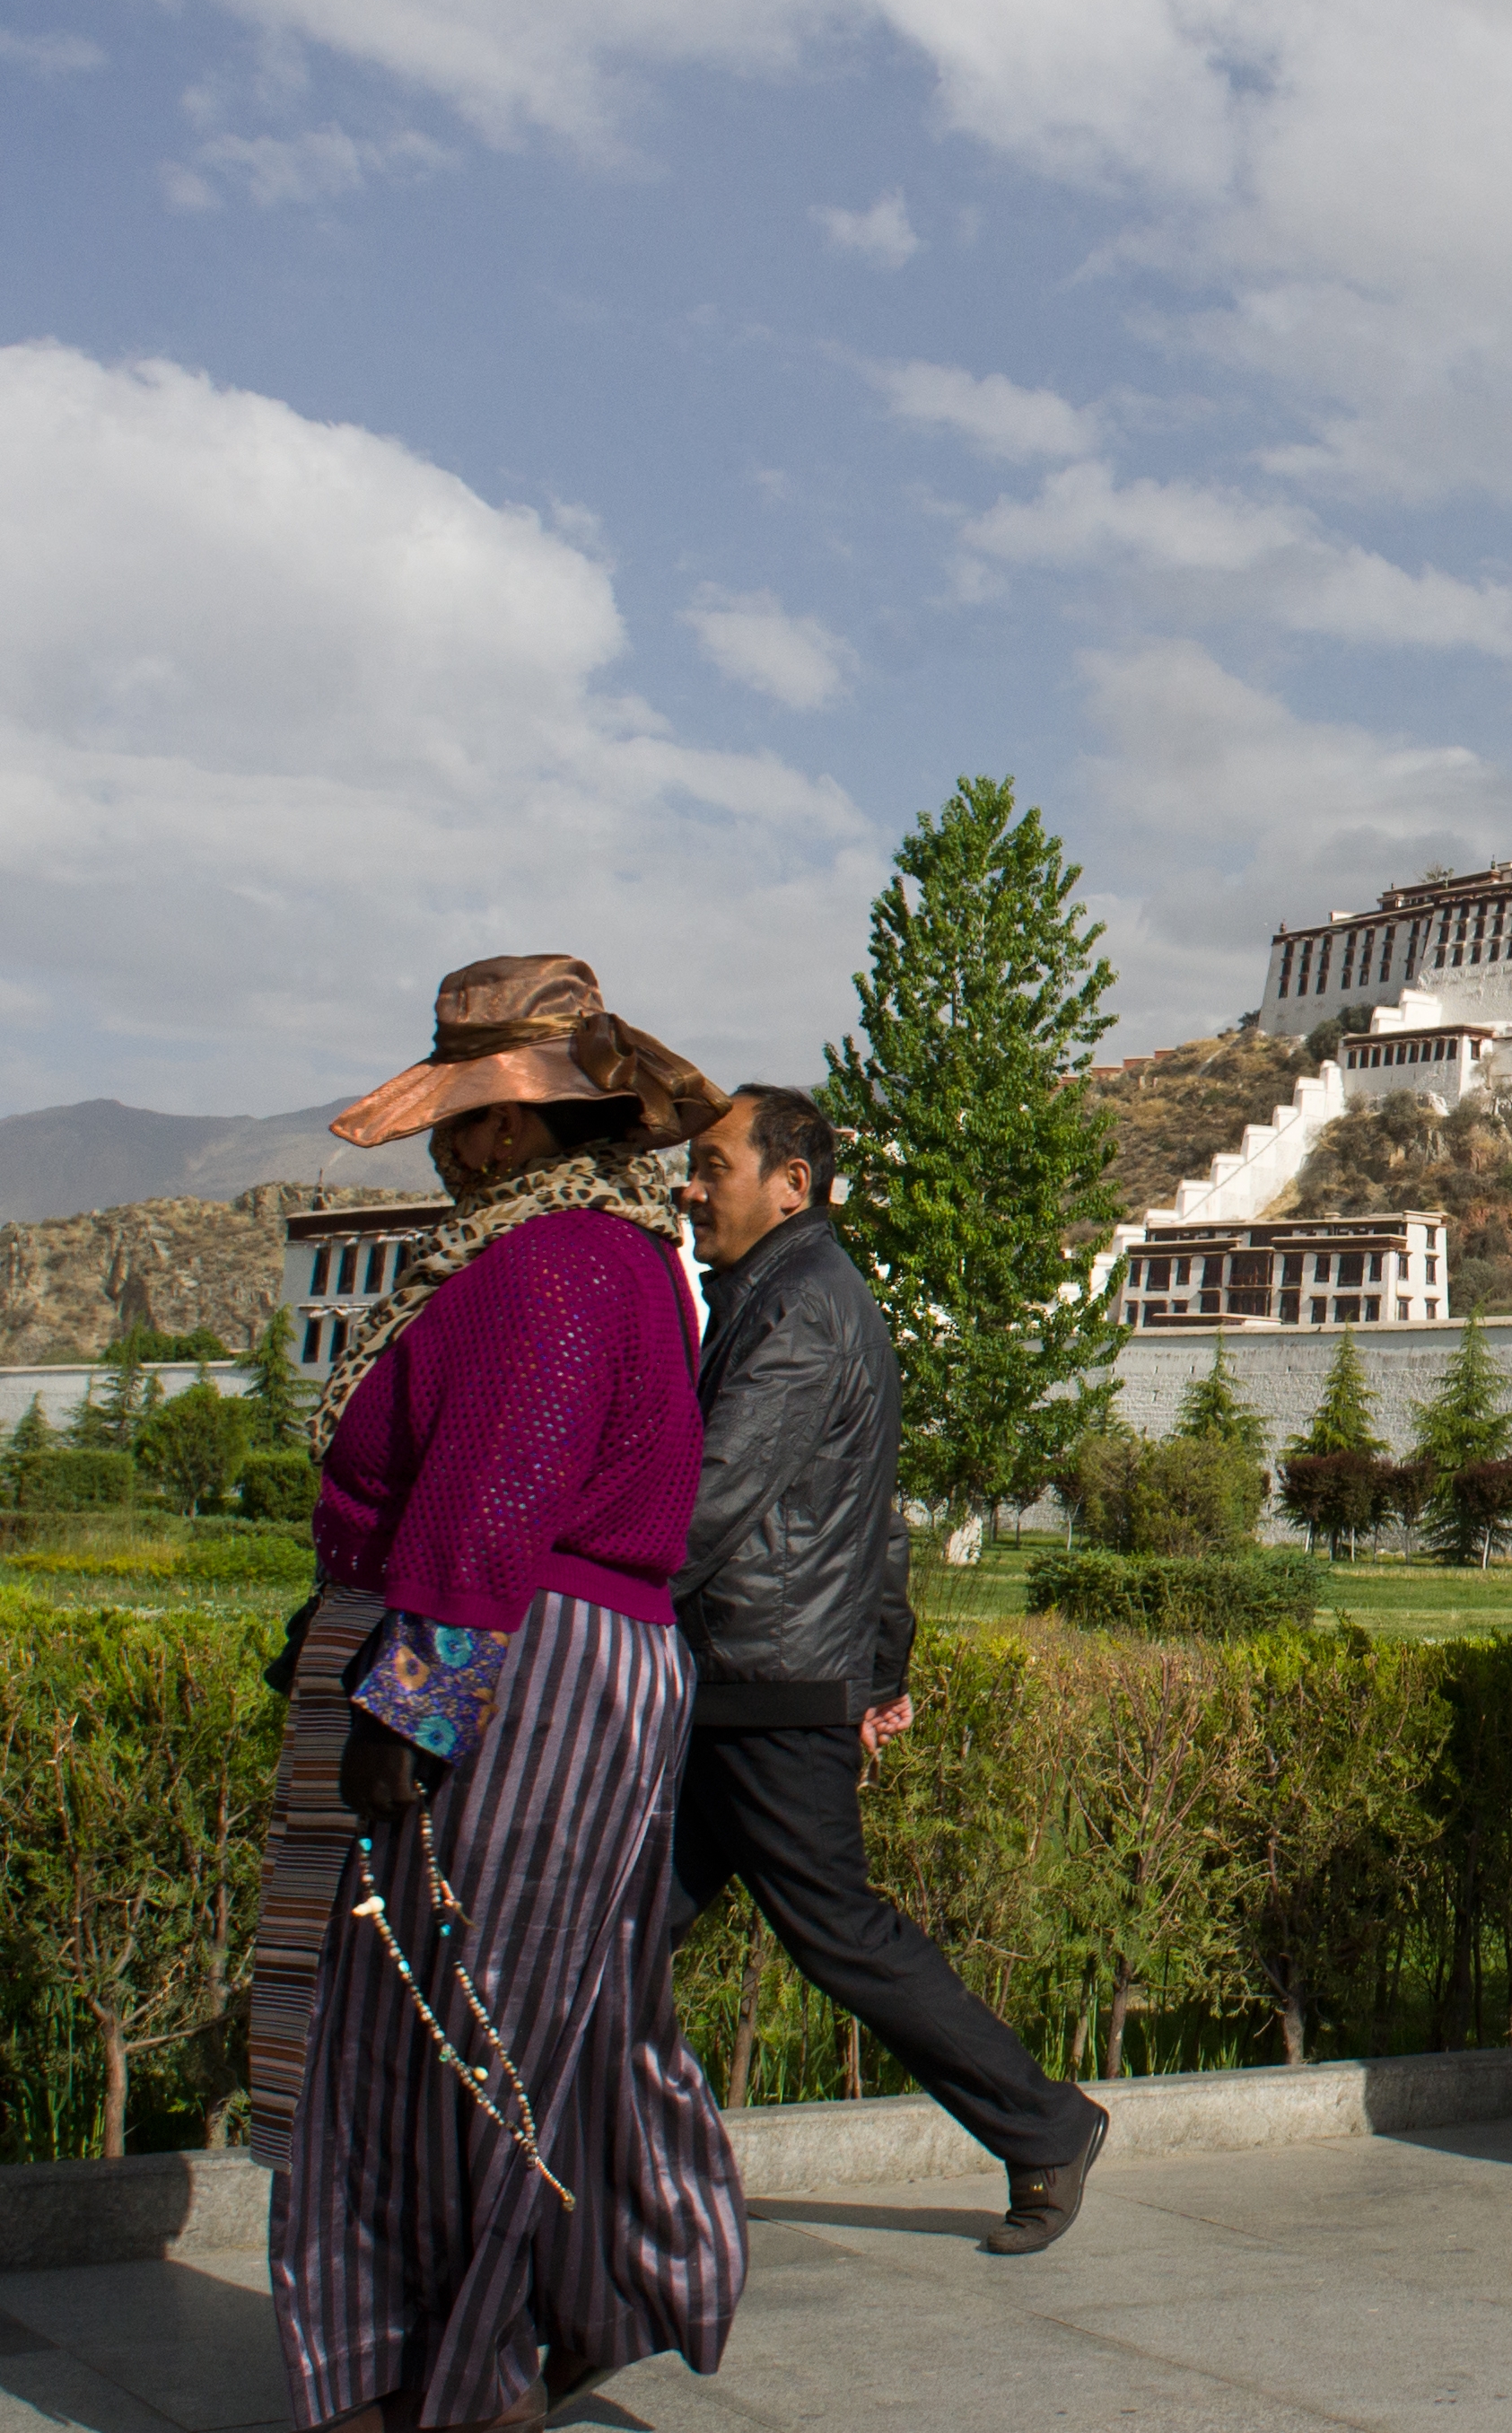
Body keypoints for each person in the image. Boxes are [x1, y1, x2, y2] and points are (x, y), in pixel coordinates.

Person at [255, 956, 748, 2432]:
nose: (447, 1142)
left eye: (466, 1114)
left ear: (518, 1127)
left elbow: (494, 1495)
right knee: (539, 2010)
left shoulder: (551, 1263)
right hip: (567, 1654)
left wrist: (409, 1705)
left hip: (512, 1659)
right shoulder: (605, 1248)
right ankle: (539, 2314)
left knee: (428, 2027)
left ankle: (433, 2369)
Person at [667, 1083, 1111, 2253]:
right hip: (756, 1680)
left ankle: (1043, 2121)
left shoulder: (799, 1309)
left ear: (792, 1184)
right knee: (617, 1943)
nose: (691, 1187)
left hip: (761, 1687)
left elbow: (707, 1508)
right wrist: (874, 1669)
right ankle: (602, 2168)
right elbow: (873, 1524)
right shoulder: (792, 1296)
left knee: (840, 1935)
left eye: (714, 1164)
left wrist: (569, 1607)